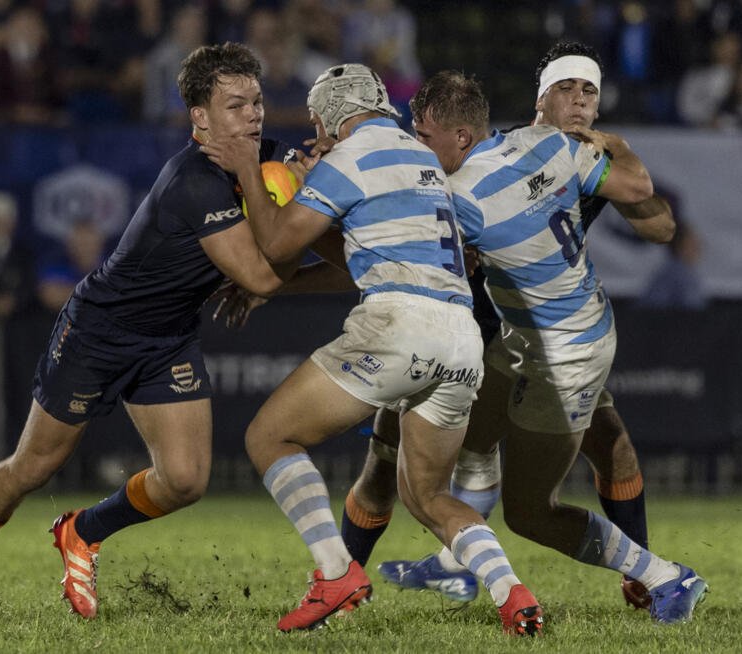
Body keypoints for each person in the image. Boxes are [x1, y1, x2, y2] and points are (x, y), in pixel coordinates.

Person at [343, 44, 708, 626]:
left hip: (559, 350)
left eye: (589, 91)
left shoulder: (482, 187)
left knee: (528, 507)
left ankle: (661, 575)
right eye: (567, 89)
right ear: (541, 100)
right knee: (442, 439)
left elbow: (657, 218)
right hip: (520, 328)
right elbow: (646, 200)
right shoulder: (552, 148)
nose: (579, 101)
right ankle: (448, 562)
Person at [0, 42, 302, 621]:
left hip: (168, 338)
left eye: (256, 102)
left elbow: (312, 177)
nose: (253, 115)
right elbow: (260, 274)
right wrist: (270, 255)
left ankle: (83, 531)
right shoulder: (193, 180)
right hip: (99, 332)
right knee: (34, 465)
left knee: (184, 481)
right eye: (235, 106)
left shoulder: (266, 157)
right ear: (200, 117)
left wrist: (321, 161)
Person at [200, 63, 543, 637]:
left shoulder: (350, 158)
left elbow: (277, 243)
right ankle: (515, 595)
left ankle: (336, 573)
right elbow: (357, 256)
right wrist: (311, 209)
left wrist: (248, 172)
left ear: (335, 112)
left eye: (319, 122)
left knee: (268, 437)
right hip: (461, 337)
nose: (317, 134)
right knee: (428, 496)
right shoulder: (422, 158)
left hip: (400, 325)